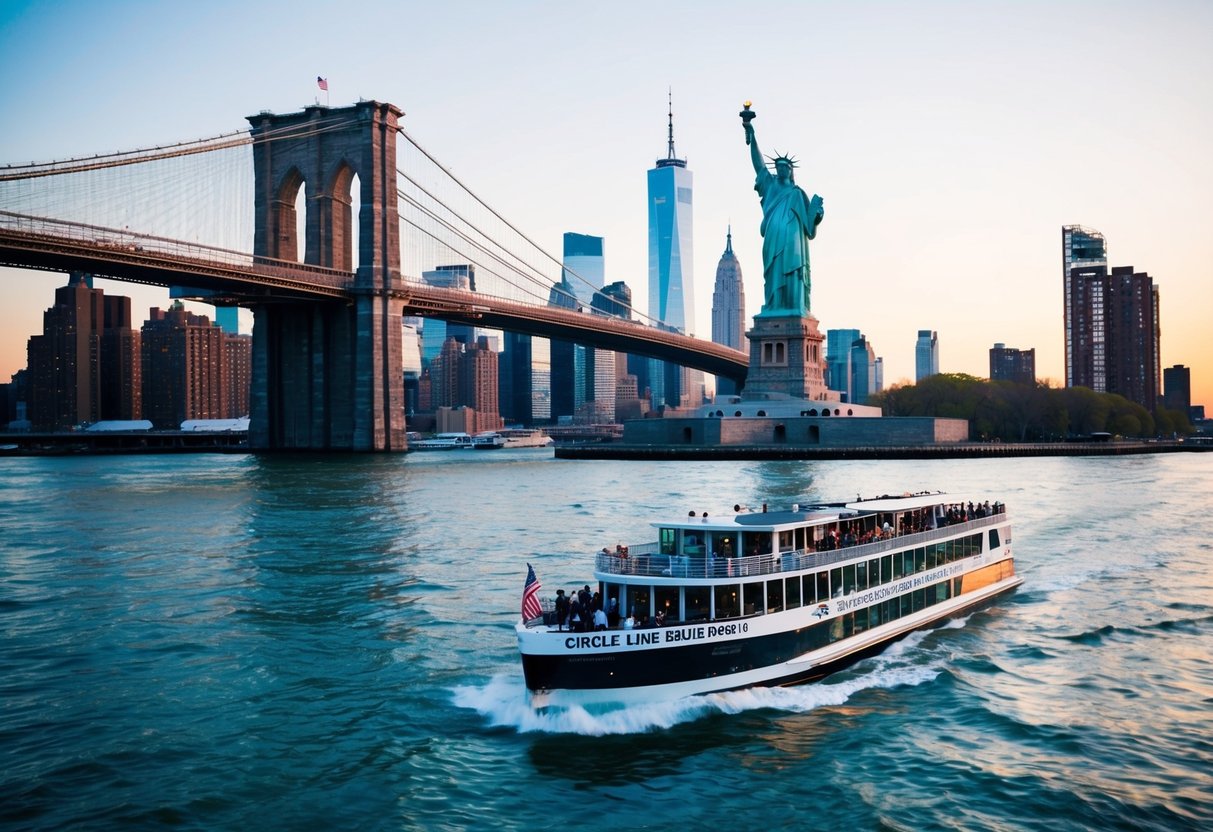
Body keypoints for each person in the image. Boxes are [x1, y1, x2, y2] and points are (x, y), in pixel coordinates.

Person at [742, 111, 824, 315]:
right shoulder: (769, 186)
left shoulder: (798, 194)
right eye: (777, 167)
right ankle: (774, 305)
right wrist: (751, 135)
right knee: (773, 271)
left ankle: (795, 306)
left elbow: (809, 227)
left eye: (785, 167)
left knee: (794, 270)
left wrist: (817, 215)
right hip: (772, 238)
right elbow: (758, 164)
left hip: (794, 240)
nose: (781, 169)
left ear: (791, 170)